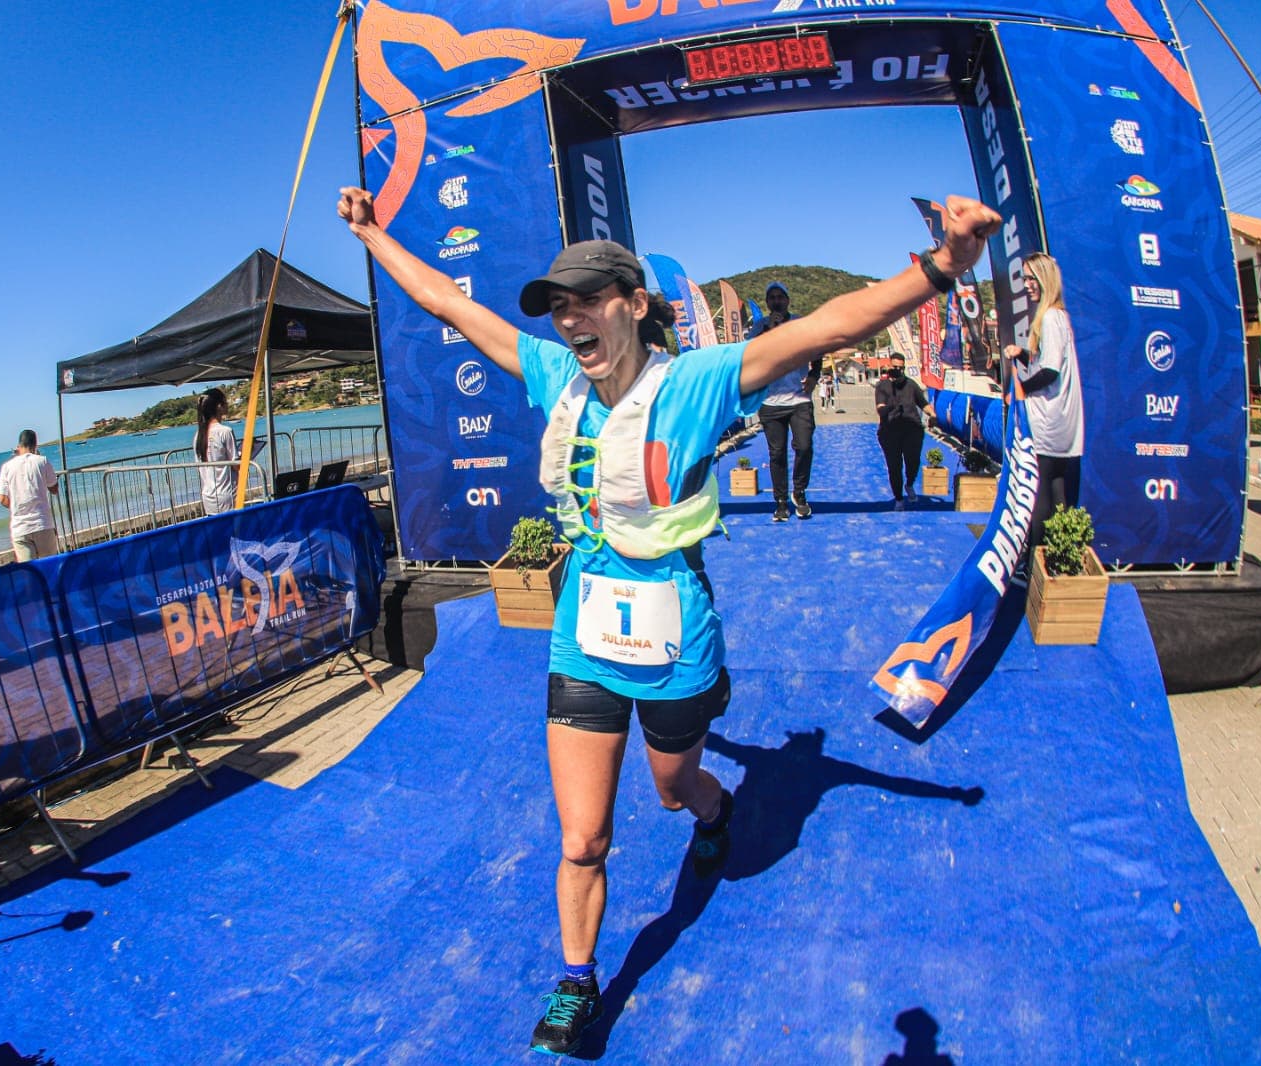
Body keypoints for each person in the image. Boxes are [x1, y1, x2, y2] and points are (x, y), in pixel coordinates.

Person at [337, 184, 1000, 1056]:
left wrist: (946, 265)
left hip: (673, 631)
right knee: (584, 838)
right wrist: (372, 234)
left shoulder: (692, 384)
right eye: (557, 307)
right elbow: (447, 304)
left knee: (674, 786)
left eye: (586, 301)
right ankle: (577, 983)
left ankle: (713, 811)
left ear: (635, 306)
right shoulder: (551, 376)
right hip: (583, 632)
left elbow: (829, 326)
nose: (569, 320)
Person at [1002, 252, 1084, 568]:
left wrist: (1020, 392)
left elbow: (1049, 372)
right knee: (1060, 496)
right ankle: (1058, 562)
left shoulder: (1050, 317)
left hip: (1048, 422)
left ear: (1044, 278)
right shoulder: (1059, 318)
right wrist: (1023, 353)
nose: (1027, 286)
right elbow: (1049, 363)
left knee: (1040, 497)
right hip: (1065, 424)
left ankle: (1034, 564)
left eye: (1030, 279)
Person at [745, 281, 820, 521]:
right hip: (771, 401)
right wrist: (770, 330)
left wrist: (813, 375)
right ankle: (780, 502)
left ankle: (799, 491)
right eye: (772, 298)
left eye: (780, 297)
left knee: (804, 446)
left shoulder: (800, 323)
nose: (776, 301)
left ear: (788, 300)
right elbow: (750, 353)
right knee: (776, 454)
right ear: (767, 303)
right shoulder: (759, 326)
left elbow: (818, 349)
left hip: (798, 398)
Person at [874, 355, 938, 510]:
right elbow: (880, 409)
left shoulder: (911, 385)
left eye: (901, 368)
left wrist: (933, 415)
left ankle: (909, 484)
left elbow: (923, 403)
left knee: (913, 461)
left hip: (912, 428)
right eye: (895, 367)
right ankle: (898, 498)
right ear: (889, 366)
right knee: (894, 466)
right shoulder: (882, 386)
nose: (898, 370)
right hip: (890, 431)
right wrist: (891, 406)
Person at [0, 429, 61, 561]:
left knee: (30, 573)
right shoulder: (42, 461)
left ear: (18, 446)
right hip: (42, 523)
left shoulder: (7, 467)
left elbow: (2, 498)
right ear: (35, 445)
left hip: (20, 528)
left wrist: (15, 505)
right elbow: (54, 488)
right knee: (51, 567)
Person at [194, 388, 239, 515]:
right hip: (226, 493)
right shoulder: (225, 431)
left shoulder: (198, 435)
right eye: (225, 401)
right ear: (219, 406)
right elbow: (236, 464)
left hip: (208, 495)